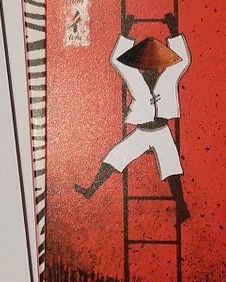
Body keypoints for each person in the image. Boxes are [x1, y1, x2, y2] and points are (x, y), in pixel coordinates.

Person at [74, 12, 191, 223]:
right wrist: (126, 31)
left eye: (154, 65)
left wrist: (174, 31)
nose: (150, 69)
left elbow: (183, 61)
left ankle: (182, 207)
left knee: (171, 166)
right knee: (115, 156)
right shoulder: (136, 78)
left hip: (161, 131)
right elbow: (117, 61)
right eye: (146, 66)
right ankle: (91, 190)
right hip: (142, 131)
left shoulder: (168, 77)